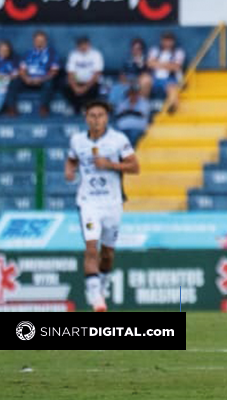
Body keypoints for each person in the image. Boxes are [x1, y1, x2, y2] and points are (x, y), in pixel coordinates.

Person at [65, 100, 140, 312]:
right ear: (86, 118)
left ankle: (101, 286)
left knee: (107, 254)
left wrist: (110, 164)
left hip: (112, 202)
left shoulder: (118, 140)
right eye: (92, 116)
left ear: (107, 118)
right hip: (88, 202)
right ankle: (96, 297)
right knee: (91, 248)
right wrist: (69, 170)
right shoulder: (77, 140)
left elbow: (135, 167)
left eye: (100, 116)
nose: (96, 120)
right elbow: (71, 159)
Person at [3, 31, 59, 116]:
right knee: (14, 82)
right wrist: (26, 78)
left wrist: (41, 79)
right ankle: (11, 108)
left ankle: (43, 107)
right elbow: (22, 69)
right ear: (34, 41)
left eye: (42, 41)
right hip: (29, 79)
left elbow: (54, 72)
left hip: (43, 79)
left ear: (46, 41)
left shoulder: (52, 53)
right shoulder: (28, 53)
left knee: (49, 83)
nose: (39, 43)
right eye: (37, 40)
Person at [146, 32, 184, 114]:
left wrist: (157, 63)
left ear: (173, 42)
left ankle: (172, 109)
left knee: (172, 88)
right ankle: (142, 104)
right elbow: (149, 64)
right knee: (144, 80)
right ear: (162, 41)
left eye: (170, 40)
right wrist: (168, 64)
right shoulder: (155, 50)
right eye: (165, 40)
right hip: (154, 78)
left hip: (169, 79)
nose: (167, 43)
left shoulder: (178, 52)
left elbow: (176, 67)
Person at [65, 36, 104, 114]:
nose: (83, 47)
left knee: (94, 88)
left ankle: (86, 107)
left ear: (89, 45)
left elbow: (97, 74)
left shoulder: (96, 54)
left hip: (91, 82)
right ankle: (76, 107)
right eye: (81, 45)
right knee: (65, 86)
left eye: (85, 45)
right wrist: (75, 87)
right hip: (78, 81)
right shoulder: (73, 55)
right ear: (77, 46)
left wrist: (85, 88)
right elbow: (70, 73)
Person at [0, 40, 18, 115]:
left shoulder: (13, 59)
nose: (4, 52)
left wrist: (5, 77)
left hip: (7, 80)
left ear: (9, 51)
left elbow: (15, 74)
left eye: (6, 50)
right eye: (2, 50)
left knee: (2, 88)